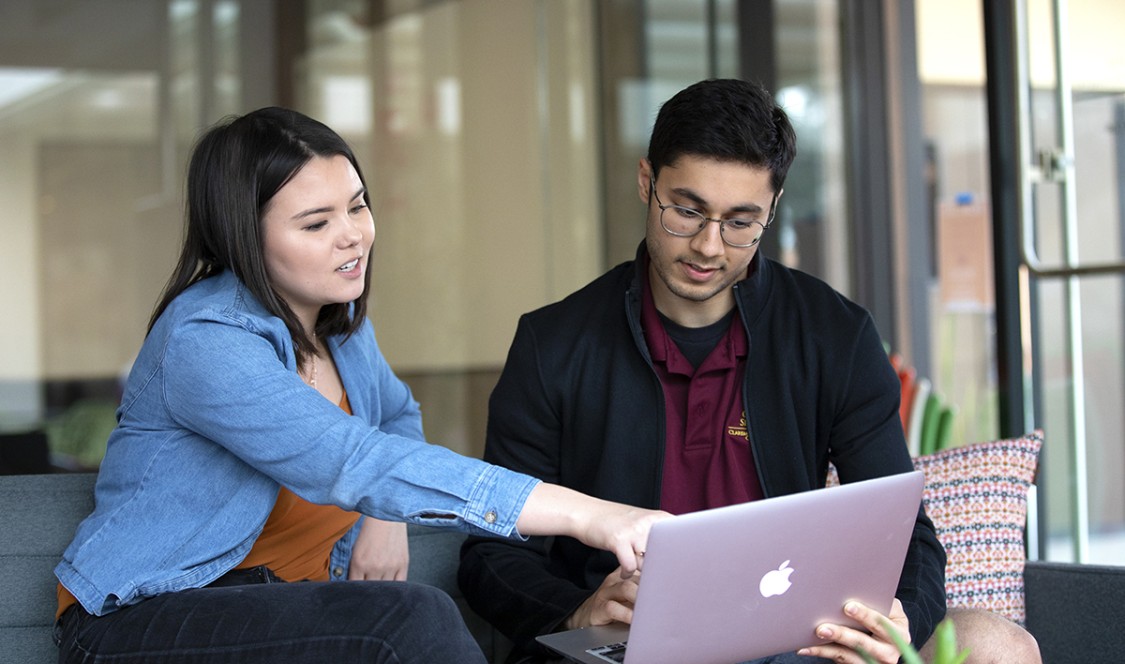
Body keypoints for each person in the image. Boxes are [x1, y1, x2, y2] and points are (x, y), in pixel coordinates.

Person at [52, 107, 669, 664]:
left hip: (283, 608)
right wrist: (591, 515)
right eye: (316, 223)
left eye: (357, 204)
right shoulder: (207, 342)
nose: (354, 234)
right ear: (246, 234)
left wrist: (384, 521)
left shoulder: (339, 328)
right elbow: (353, 459)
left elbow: (397, 415)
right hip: (138, 619)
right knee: (412, 618)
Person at [457, 79, 1041, 663]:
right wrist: (575, 612)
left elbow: (905, 533)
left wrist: (899, 621)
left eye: (741, 221)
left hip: (798, 639)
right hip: (631, 645)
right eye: (686, 211)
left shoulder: (834, 336)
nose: (709, 246)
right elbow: (492, 551)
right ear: (646, 182)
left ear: (774, 207)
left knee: (999, 645)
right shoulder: (554, 344)